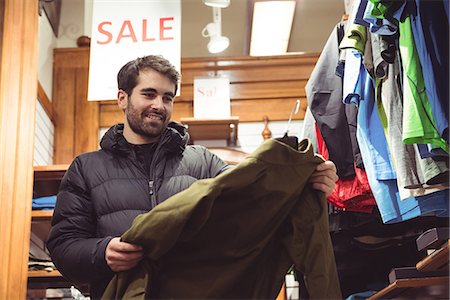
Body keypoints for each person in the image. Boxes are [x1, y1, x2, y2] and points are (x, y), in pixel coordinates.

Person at [47, 55, 339, 299]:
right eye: (148, 94)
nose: (159, 105)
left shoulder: (203, 162)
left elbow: (257, 207)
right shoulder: (86, 168)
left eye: (167, 97)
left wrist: (306, 183)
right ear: (122, 98)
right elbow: (63, 247)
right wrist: (102, 253)